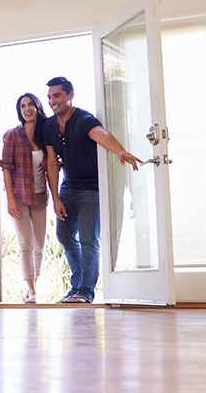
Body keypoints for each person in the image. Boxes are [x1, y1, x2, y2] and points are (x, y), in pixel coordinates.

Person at [41, 77, 141, 304]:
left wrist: (121, 151)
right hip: (68, 187)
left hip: (91, 189)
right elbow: (50, 162)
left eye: (57, 95)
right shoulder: (48, 126)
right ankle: (76, 286)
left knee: (88, 239)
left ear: (70, 95)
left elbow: (100, 134)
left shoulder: (83, 118)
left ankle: (85, 292)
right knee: (64, 236)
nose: (52, 101)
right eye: (49, 97)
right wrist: (55, 198)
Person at [0, 93, 49, 304]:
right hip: (18, 195)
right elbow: (6, 168)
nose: (27, 109)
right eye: (22, 106)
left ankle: (32, 289)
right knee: (26, 243)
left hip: (39, 195)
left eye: (30, 105)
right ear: (19, 112)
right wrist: (10, 198)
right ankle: (31, 289)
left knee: (39, 244)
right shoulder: (12, 135)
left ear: (37, 107)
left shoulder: (45, 135)